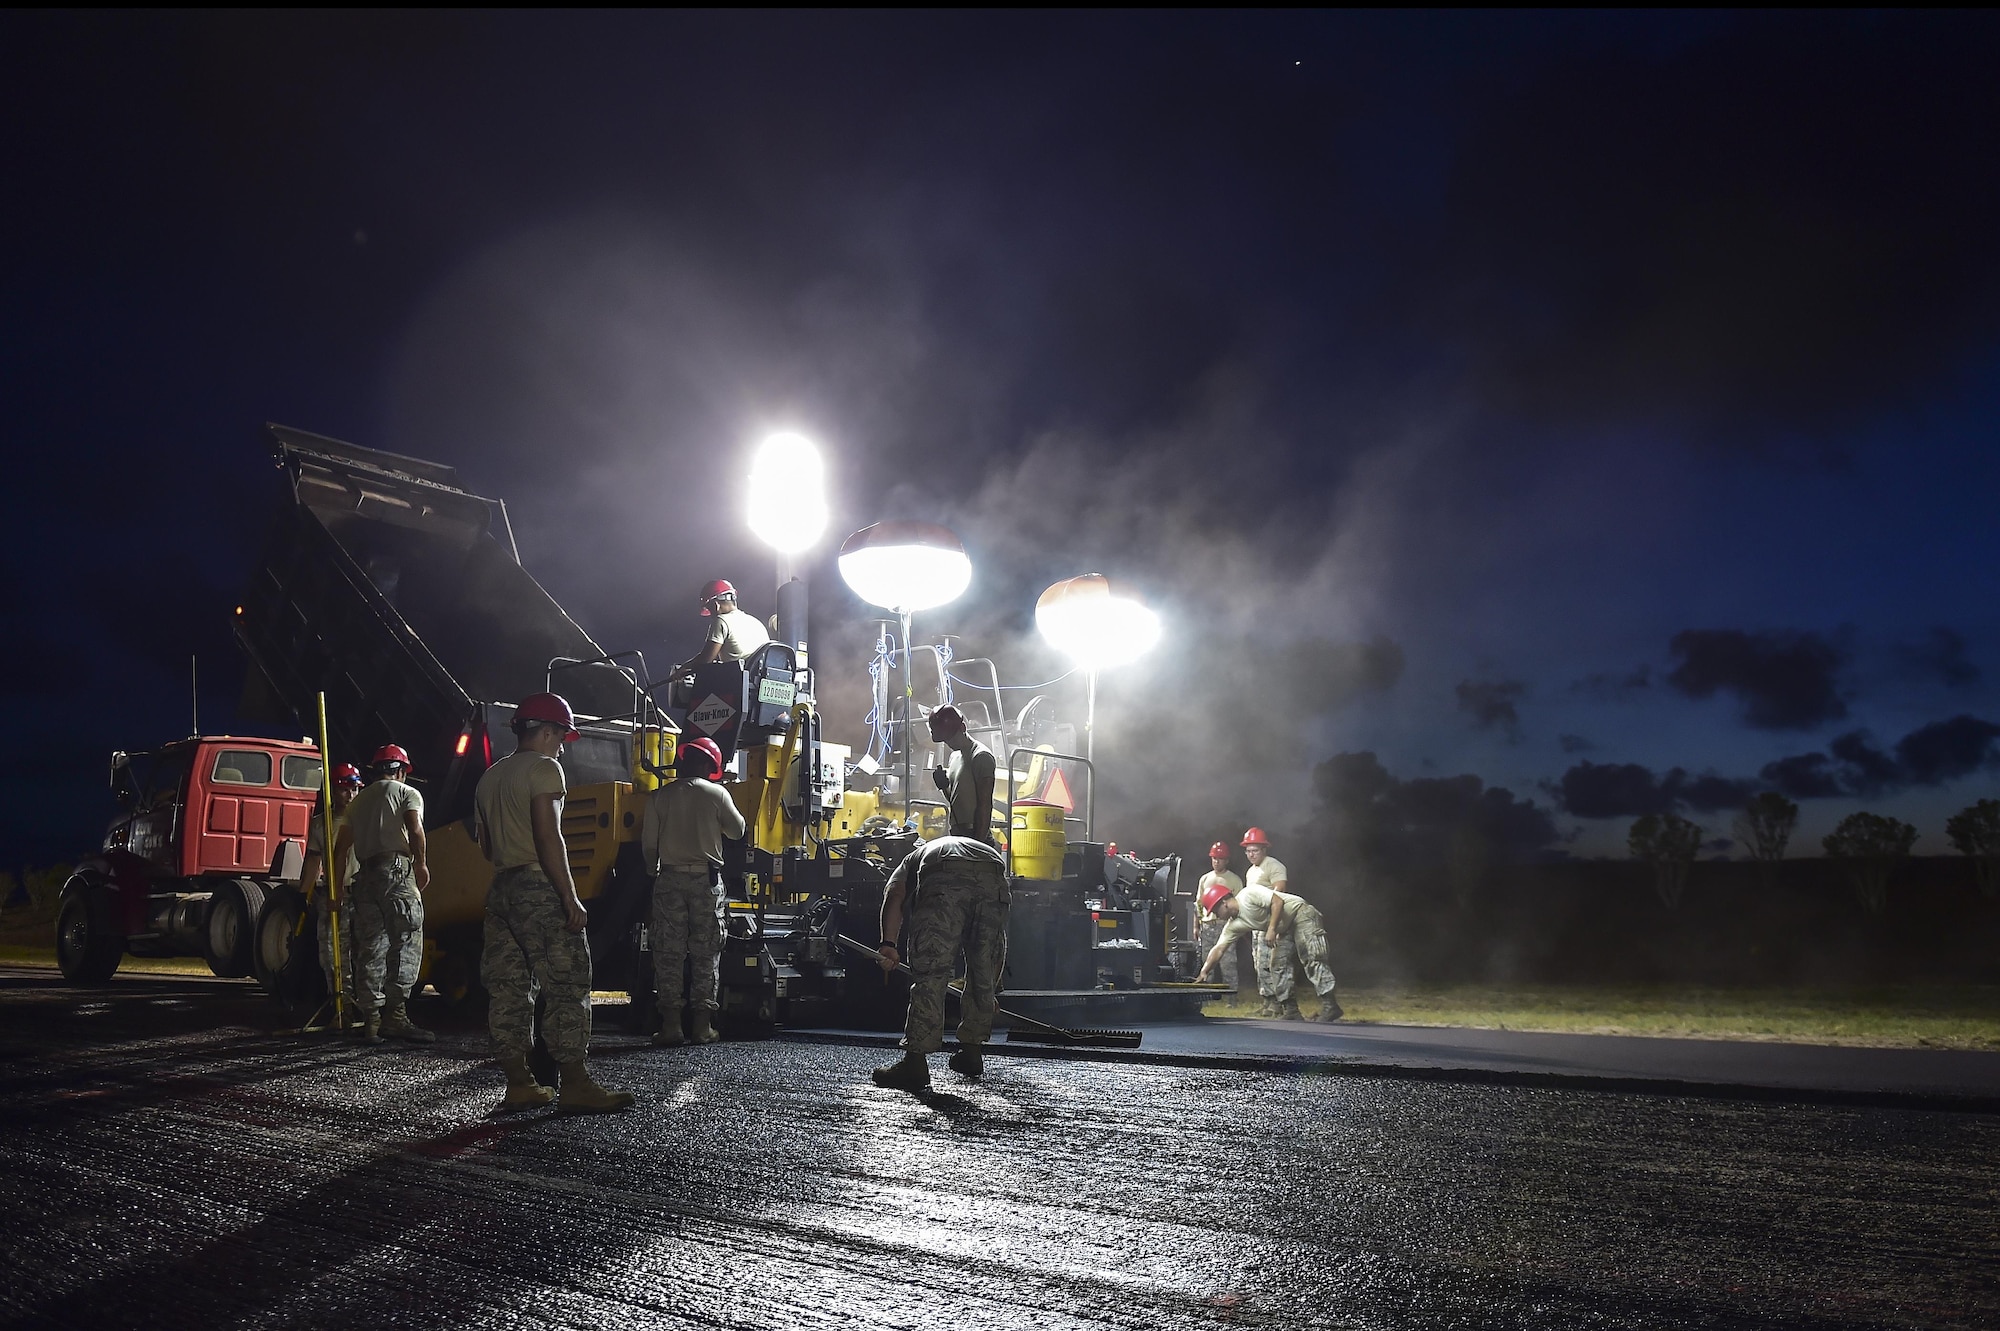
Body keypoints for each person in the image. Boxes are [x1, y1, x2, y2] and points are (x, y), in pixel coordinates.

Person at [474, 692, 634, 1113]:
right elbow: (550, 837)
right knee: (566, 983)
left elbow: (487, 845)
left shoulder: (489, 777)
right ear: (546, 732)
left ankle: (519, 1083)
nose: (563, 745)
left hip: (501, 889)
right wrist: (568, 896)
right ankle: (576, 1085)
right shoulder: (546, 770)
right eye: (561, 736)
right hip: (536, 886)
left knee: (508, 988)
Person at [870, 833, 1010, 1091]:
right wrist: (990, 990)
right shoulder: (973, 845)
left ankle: (915, 1064)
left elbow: (895, 892)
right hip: (995, 873)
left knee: (931, 970)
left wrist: (888, 944)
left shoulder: (913, 858)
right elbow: (993, 950)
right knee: (983, 966)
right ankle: (971, 1053)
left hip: (945, 877)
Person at [640, 735, 745, 1047]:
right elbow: (738, 830)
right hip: (706, 882)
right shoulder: (717, 793)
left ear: (684, 762)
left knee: (668, 953)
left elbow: (649, 845)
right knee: (706, 952)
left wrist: (652, 871)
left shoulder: (659, 797)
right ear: (710, 766)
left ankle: (671, 1026)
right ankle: (702, 1027)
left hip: (669, 880)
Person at [335, 745, 433, 1045]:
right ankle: (396, 1017)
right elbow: (415, 829)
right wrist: (421, 865)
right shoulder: (407, 793)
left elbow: (340, 848)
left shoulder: (358, 801)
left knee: (370, 947)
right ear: (401, 770)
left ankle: (371, 1021)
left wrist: (337, 890)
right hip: (395, 872)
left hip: (365, 876)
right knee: (406, 941)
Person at [1193, 878, 1342, 1022]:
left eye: (1215, 910)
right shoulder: (1234, 924)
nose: (1217, 916)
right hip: (1285, 928)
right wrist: (1204, 971)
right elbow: (1219, 949)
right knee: (1278, 965)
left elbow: (1277, 901)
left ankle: (1330, 1005)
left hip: (1301, 913)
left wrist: (1271, 929)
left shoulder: (1248, 894)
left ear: (1224, 903)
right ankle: (1291, 1010)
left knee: (1312, 957)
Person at [298, 762, 362, 1012]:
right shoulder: (320, 824)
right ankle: (339, 1001)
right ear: (333, 790)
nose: (351, 795)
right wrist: (303, 896)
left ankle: (362, 1005)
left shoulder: (364, 821)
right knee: (330, 952)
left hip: (360, 895)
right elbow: (314, 861)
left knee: (362, 952)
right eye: (345, 789)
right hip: (332, 896)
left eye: (355, 789)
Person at [926, 705, 996, 842]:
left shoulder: (981, 756)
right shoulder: (954, 757)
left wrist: (978, 845)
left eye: (951, 738)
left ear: (962, 728)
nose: (949, 743)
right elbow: (956, 800)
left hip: (975, 834)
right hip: (958, 833)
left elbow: (985, 806)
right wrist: (943, 786)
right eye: (945, 740)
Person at [1240, 826, 1289, 1016]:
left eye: (1255, 850)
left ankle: (1278, 1002)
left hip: (1271, 922)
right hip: (1256, 924)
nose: (1251, 854)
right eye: (1248, 851)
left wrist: (1272, 925)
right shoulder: (1251, 872)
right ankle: (1267, 1001)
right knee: (1258, 962)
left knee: (1270, 962)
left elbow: (1280, 890)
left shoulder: (1273, 865)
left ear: (1264, 849)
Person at [1193, 842, 1243, 993]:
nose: (1216, 861)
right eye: (1214, 858)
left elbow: (1239, 904)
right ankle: (1207, 995)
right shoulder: (1205, 879)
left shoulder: (1234, 880)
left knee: (1228, 961)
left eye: (1220, 858)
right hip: (1207, 924)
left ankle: (1231, 996)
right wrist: (1196, 925)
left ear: (1226, 860)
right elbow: (1199, 904)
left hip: (1225, 924)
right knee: (1207, 960)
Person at [696, 579, 771, 664]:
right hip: (760, 676)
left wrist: (681, 671)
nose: (711, 615)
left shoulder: (721, 621)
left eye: (710, 609)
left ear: (715, 605)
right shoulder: (757, 623)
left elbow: (705, 660)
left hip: (735, 677)